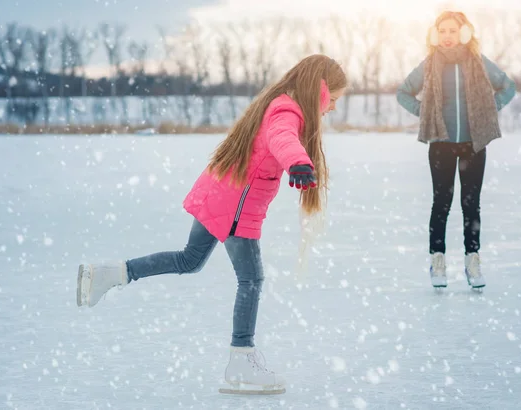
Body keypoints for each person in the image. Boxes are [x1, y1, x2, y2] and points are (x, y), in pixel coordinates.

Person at [76, 54, 347, 395]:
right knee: (251, 279)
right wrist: (297, 162)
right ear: (319, 90)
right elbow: (282, 138)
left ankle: (111, 273)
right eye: (333, 98)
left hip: (220, 193)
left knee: (189, 260)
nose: (333, 107)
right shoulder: (287, 111)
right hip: (235, 205)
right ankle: (241, 360)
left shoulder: (280, 101)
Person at [396, 11, 516, 289]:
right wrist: (424, 112)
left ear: (464, 33)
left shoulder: (477, 62)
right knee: (442, 204)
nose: (447, 37)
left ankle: (472, 260)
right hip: (441, 144)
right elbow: (403, 92)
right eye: (443, 31)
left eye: (453, 31)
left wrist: (488, 109)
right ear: (436, 35)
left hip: (474, 143)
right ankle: (437, 260)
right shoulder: (430, 64)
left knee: (470, 205)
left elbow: (508, 87)